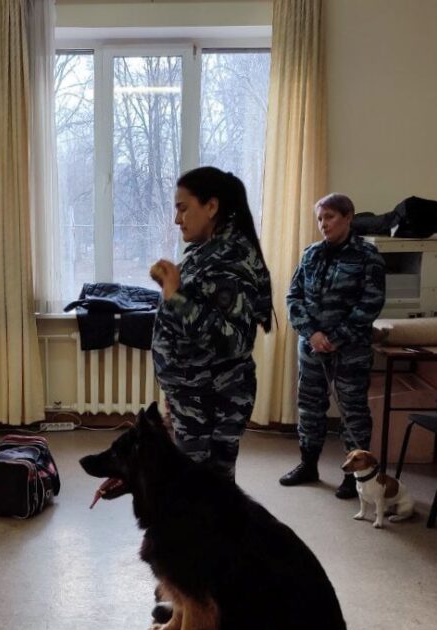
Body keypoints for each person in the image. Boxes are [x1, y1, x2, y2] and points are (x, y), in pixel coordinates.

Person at [149, 166, 273, 480]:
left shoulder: (229, 260)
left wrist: (174, 295)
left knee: (205, 492)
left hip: (210, 400)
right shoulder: (208, 252)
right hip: (195, 394)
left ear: (211, 206)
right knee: (203, 491)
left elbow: (231, 340)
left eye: (183, 208)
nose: (177, 219)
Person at [280, 193, 385, 498]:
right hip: (312, 347)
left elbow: (371, 304)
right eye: (319, 218)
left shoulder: (368, 256)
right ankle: (308, 464)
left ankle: (356, 476)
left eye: (329, 217)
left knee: (353, 411)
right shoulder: (311, 254)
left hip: (350, 350)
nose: (323, 224)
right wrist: (312, 333)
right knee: (309, 407)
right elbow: (293, 297)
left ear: (348, 217)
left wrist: (335, 338)